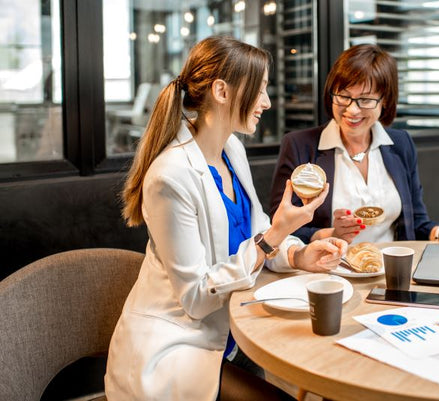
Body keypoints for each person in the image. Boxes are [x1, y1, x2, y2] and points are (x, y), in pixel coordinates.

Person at [105, 36, 346, 401]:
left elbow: (253, 230)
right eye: (260, 90)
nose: (266, 102)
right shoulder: (169, 177)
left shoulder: (231, 149)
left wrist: (297, 254)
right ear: (221, 90)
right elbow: (198, 298)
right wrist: (275, 235)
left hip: (232, 333)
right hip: (180, 345)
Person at [270, 44, 439, 247]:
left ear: (385, 100)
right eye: (343, 96)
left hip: (389, 271)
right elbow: (279, 227)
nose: (352, 110)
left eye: (365, 100)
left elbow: (415, 222)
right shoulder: (300, 146)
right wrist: (330, 233)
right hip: (328, 273)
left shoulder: (400, 144)